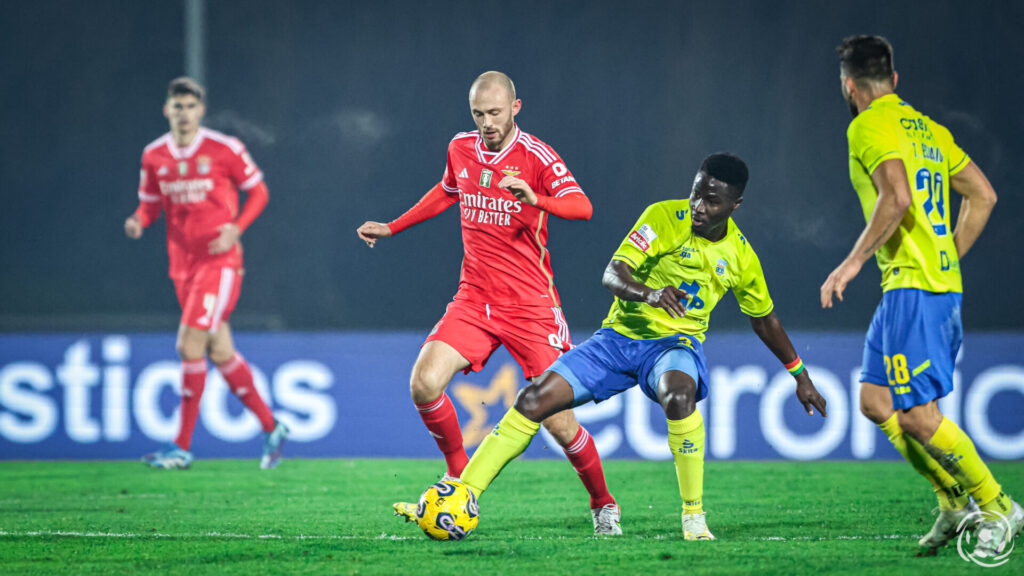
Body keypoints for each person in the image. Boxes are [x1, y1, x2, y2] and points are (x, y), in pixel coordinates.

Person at [457, 153, 828, 540]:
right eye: (696, 193)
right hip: (618, 339)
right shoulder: (664, 217)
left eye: (712, 201)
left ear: (735, 206)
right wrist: (649, 294)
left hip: (674, 345)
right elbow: (613, 274)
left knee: (679, 394)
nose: (698, 206)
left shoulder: (740, 257)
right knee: (533, 399)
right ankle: (462, 494)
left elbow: (764, 319)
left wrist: (799, 375)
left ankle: (694, 517)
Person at [357, 71, 621, 535]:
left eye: (495, 113)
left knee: (559, 425)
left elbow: (584, 207)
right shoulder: (460, 147)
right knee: (424, 383)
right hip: (475, 299)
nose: (486, 123)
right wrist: (393, 227)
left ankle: (603, 503)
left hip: (531, 305)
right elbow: (447, 191)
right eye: (478, 114)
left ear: (515, 107)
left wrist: (536, 198)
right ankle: (458, 476)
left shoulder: (537, 156)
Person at [821, 35, 1020, 557]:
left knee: (917, 415)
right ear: (894, 80)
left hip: (916, 289)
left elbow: (897, 195)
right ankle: (952, 500)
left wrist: (852, 262)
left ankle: (999, 505)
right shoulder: (930, 130)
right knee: (876, 401)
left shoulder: (867, 124)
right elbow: (983, 195)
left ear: (849, 85)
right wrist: (947, 254)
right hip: (915, 286)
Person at [125, 77, 288, 470]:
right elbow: (150, 205)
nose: (184, 113)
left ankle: (181, 446)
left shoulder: (224, 149)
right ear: (167, 110)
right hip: (182, 266)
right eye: (177, 106)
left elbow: (260, 191)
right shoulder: (153, 156)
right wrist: (138, 221)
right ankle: (272, 427)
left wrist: (236, 228)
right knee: (220, 351)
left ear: (201, 111)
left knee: (188, 345)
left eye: (190, 106)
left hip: (221, 264)